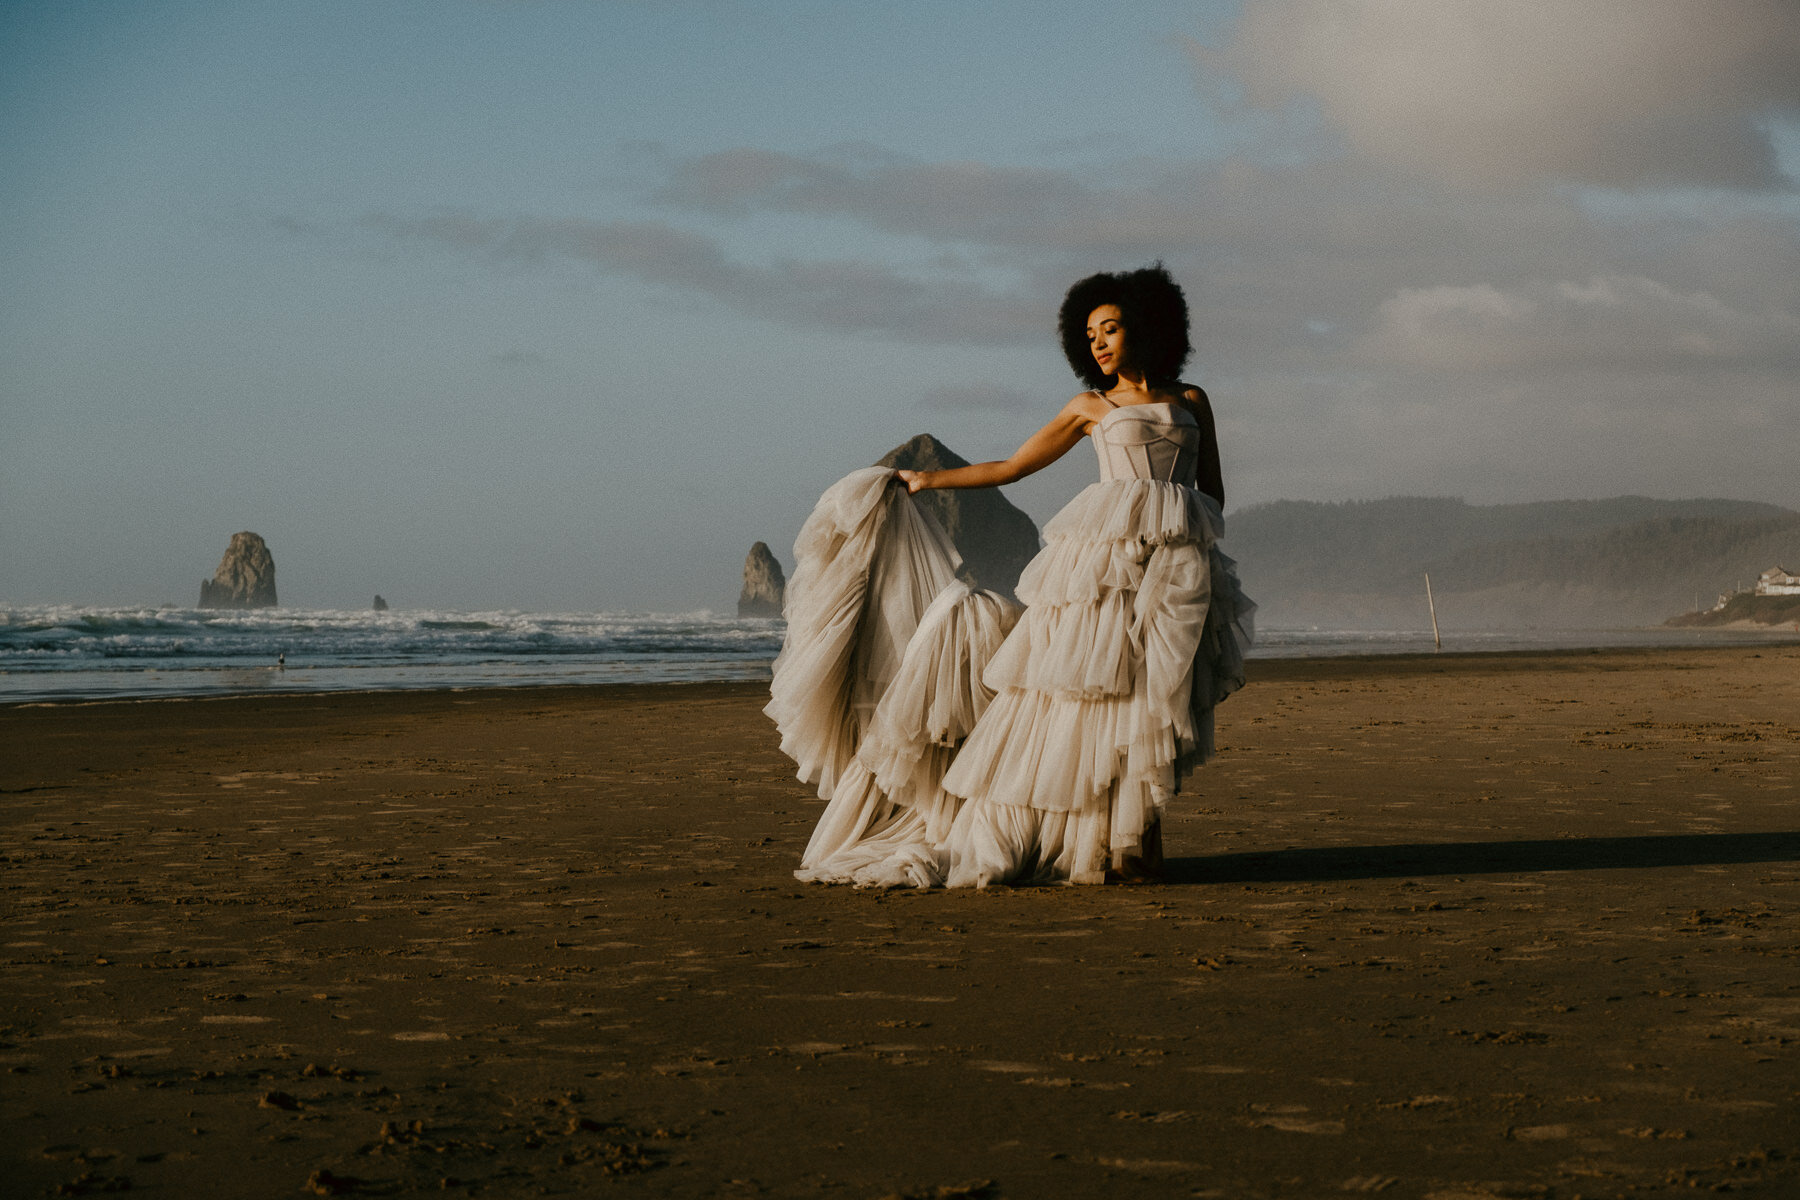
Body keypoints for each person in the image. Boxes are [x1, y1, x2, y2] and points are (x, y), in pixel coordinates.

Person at [768, 264, 1252, 888]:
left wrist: (1187, 541)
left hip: (1178, 569)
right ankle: (1116, 848)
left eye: (1111, 329)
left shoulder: (1190, 400)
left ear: (1148, 327)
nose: (1098, 343)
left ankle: (1137, 842)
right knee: (1100, 703)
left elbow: (1211, 488)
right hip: (1101, 570)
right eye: (1089, 334)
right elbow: (1015, 466)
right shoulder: (1090, 407)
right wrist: (927, 480)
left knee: (1158, 703)